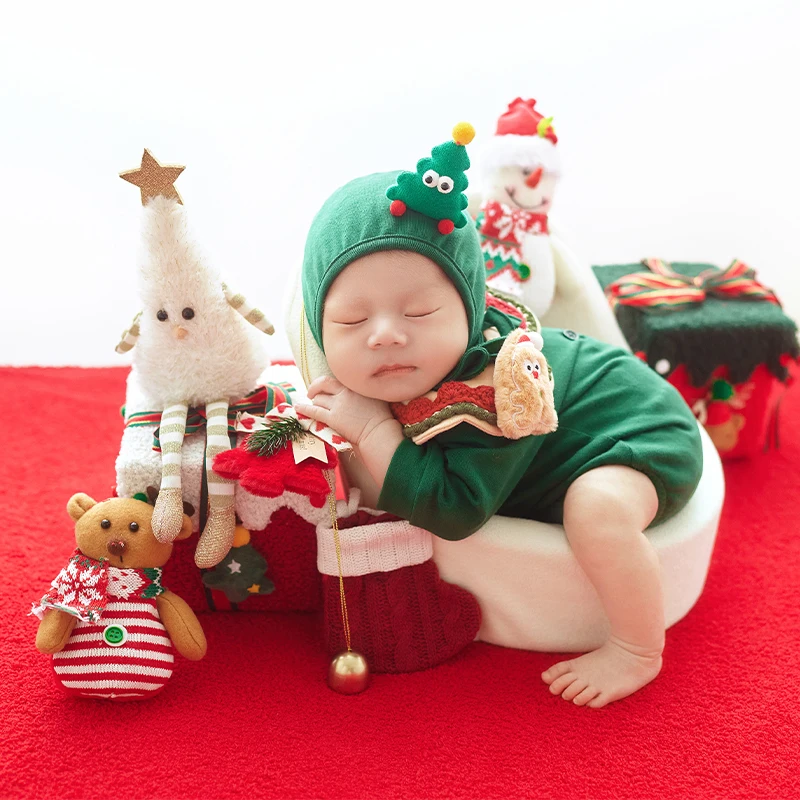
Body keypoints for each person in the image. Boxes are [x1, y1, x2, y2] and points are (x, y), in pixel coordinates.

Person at [293, 128, 703, 708]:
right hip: (583, 427)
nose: (386, 334)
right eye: (352, 322)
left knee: (595, 509)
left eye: (420, 311)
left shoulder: (497, 391)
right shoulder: (402, 365)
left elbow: (457, 511)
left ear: (470, 308)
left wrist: (374, 431)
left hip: (634, 434)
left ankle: (638, 648)